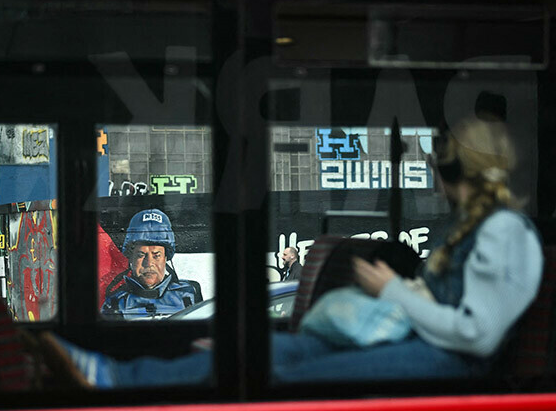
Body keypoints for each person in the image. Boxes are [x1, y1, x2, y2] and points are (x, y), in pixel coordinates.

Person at [42, 118, 544, 387]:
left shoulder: (505, 233)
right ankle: (114, 376)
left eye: (437, 166)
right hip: (411, 340)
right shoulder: (470, 227)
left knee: (275, 375)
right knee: (252, 355)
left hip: (445, 363)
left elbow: (477, 336)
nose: (433, 177)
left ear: (454, 170)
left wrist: (392, 290)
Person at [101, 208, 201, 320]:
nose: (149, 263)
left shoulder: (190, 294)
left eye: (156, 255)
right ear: (131, 258)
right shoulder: (114, 303)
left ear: (166, 258)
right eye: (141, 255)